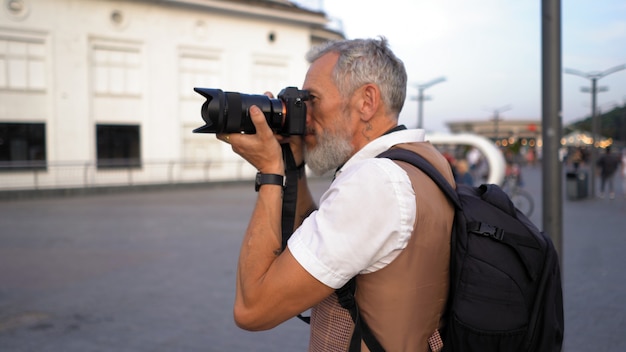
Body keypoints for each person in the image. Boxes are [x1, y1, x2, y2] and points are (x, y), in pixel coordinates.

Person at [217, 37, 455, 351]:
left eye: (311, 100)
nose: (304, 116)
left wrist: (270, 172)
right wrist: (293, 166)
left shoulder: (374, 183)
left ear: (366, 101)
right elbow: (313, 247)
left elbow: (252, 309)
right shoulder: (423, 161)